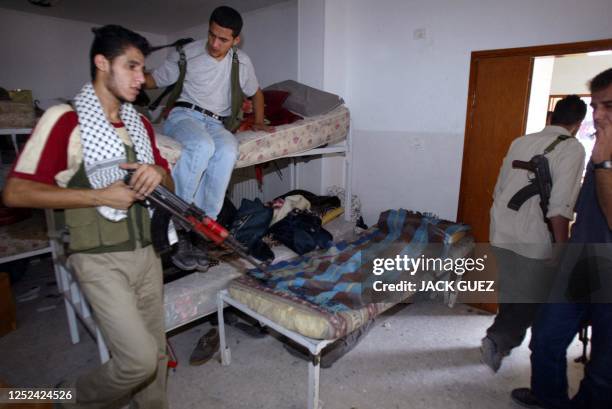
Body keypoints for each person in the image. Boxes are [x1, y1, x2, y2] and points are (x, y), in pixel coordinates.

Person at [3, 25, 172, 408]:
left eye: (142, 68)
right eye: (131, 66)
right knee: (138, 361)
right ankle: (63, 399)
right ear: (101, 62)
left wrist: (159, 174)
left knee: (156, 357)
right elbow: (15, 192)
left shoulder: (140, 123)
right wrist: (99, 195)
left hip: (147, 253)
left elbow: (169, 185)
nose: (141, 78)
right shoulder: (65, 120)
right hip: (97, 258)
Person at [511, 68, 612, 409]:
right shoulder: (593, 150)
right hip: (580, 265)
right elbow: (576, 209)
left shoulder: (598, 154)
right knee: (546, 337)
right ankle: (548, 398)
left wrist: (604, 163)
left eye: (608, 106)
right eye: (595, 106)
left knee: (604, 369)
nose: (598, 115)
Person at [145, 5, 273, 271]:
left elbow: (256, 92)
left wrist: (259, 121)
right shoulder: (187, 54)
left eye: (223, 39)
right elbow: (154, 80)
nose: (214, 44)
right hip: (184, 115)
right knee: (201, 145)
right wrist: (126, 73)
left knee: (227, 149)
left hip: (216, 121)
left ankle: (203, 226)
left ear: (236, 40)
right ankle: (175, 216)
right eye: (211, 35)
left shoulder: (241, 61)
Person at [481, 95, 587, 372]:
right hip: (535, 235)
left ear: (551, 117)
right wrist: (562, 246)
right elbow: (560, 205)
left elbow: (498, 188)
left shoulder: (521, 141)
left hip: (502, 227)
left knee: (512, 289)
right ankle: (498, 339)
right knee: (532, 296)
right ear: (578, 124)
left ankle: (499, 339)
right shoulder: (572, 148)